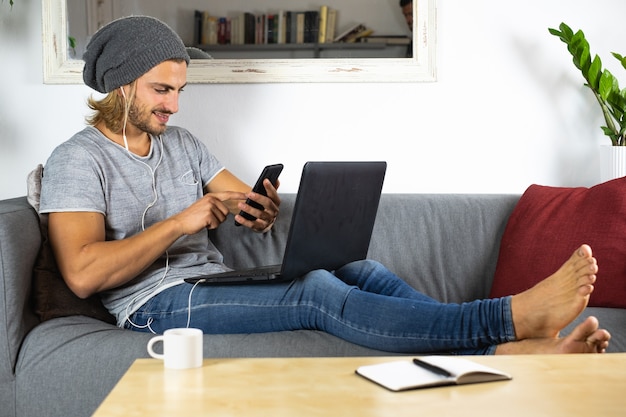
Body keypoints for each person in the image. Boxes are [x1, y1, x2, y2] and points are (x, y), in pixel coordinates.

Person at [39, 16, 611, 356]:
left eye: (180, 89)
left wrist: (255, 209)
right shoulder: (77, 160)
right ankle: (502, 322)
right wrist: (184, 220)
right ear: (119, 87)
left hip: (209, 281)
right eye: (162, 90)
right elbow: (85, 274)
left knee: (358, 270)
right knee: (315, 292)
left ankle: (501, 352)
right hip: (153, 305)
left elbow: (242, 199)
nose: (175, 104)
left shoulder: (182, 143)